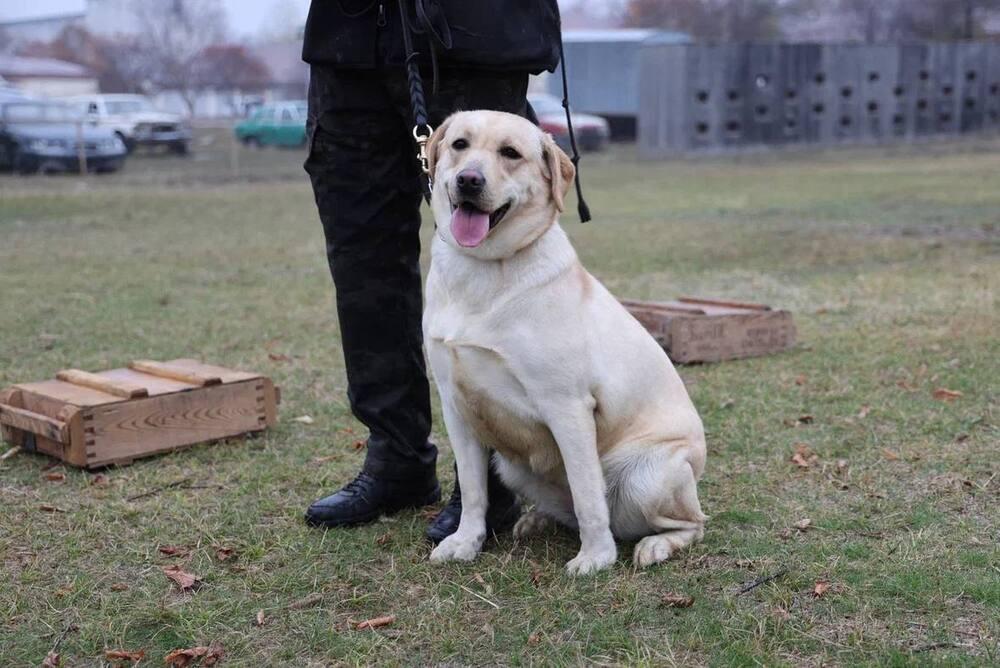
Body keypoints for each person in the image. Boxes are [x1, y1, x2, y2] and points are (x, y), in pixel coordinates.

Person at [301, 0, 563, 543]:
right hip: (350, 41)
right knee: (362, 260)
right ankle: (395, 457)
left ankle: (495, 482)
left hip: (473, 33)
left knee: (497, 259)